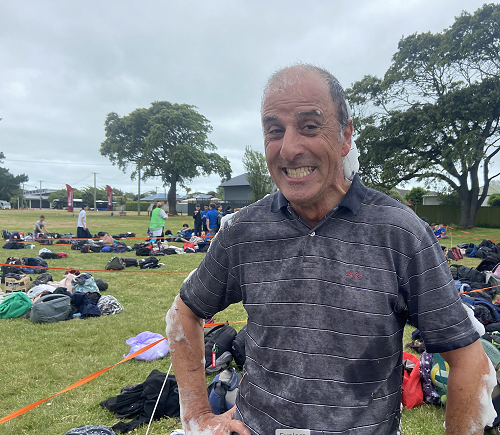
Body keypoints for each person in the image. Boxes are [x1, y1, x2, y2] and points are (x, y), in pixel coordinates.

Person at [166, 64, 494, 435]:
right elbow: (183, 313)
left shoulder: (401, 233)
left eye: (309, 126)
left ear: (345, 136)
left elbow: (468, 360)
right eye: (275, 130)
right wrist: (197, 417)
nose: (289, 149)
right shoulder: (243, 230)